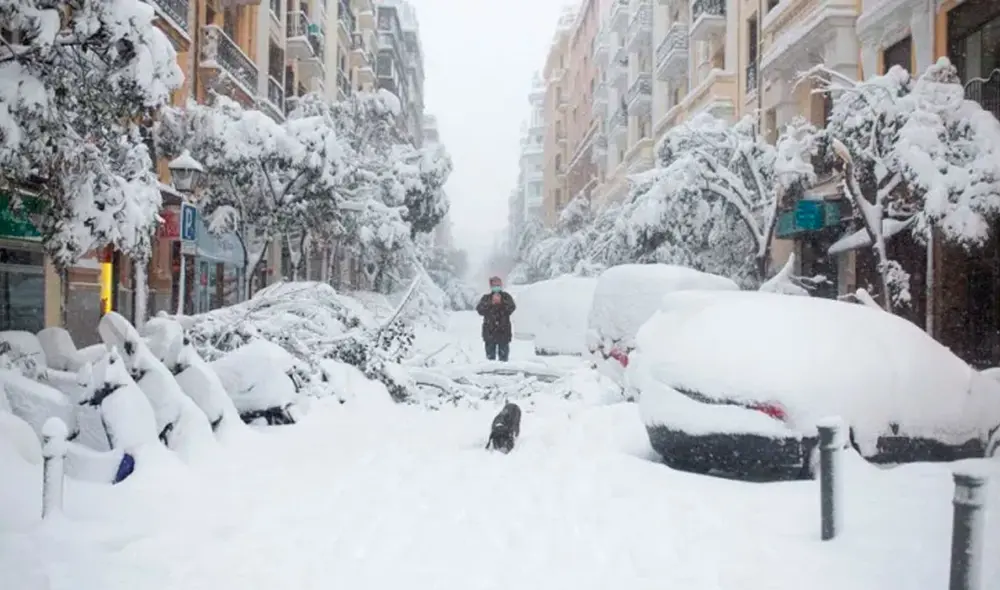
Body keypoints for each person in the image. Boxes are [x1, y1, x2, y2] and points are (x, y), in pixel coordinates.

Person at [476, 276, 516, 362]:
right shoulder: (486, 298)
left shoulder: (506, 297)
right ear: (491, 286)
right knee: (490, 359)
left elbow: (512, 308)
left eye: (498, 284)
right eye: (494, 285)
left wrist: (501, 303)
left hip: (504, 331)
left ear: (501, 284)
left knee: (504, 358)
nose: (496, 286)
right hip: (489, 332)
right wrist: (491, 303)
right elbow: (480, 310)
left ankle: (504, 373)